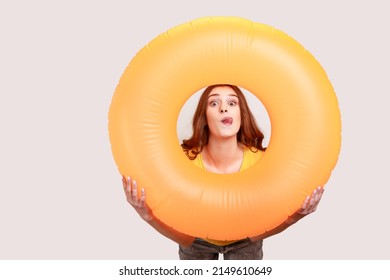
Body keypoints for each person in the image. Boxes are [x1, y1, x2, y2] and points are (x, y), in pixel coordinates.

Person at [122, 84, 324, 260]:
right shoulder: (182, 162)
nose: (224, 108)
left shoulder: (262, 163)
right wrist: (147, 216)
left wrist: (295, 216)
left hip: (247, 236)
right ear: (205, 117)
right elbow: (183, 238)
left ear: (240, 113)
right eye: (213, 103)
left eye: (232, 103)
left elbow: (256, 234)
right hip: (196, 236)